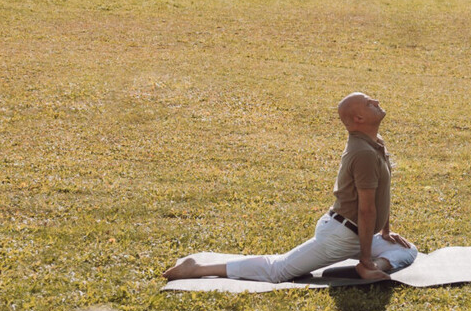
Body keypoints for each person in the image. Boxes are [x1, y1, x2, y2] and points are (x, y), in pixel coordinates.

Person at [162, 92, 418, 283]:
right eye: (368, 102)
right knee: (278, 271)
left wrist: (385, 231)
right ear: (360, 118)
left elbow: (381, 191)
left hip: (360, 233)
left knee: (406, 250)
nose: (375, 101)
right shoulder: (362, 153)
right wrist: (364, 259)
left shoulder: (375, 142)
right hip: (341, 236)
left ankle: (373, 263)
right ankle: (197, 269)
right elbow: (365, 210)